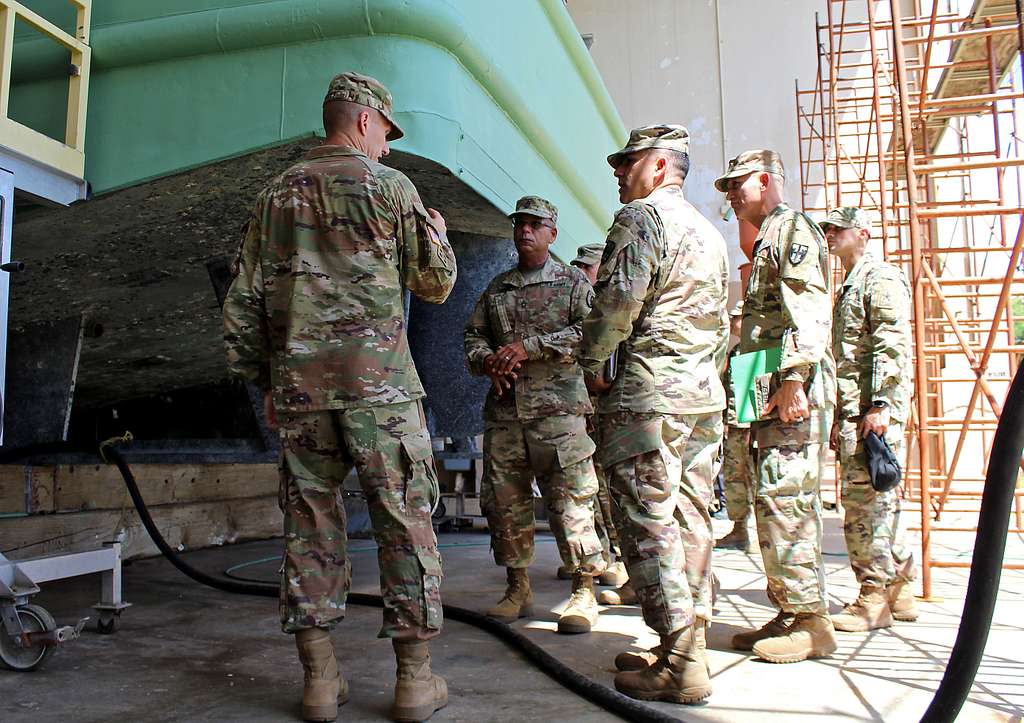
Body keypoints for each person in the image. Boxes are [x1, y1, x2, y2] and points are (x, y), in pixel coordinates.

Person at [223, 71, 456, 723]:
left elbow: (243, 302)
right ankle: (413, 681)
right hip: (379, 390)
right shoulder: (390, 188)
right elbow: (435, 283)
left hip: (301, 391)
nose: (387, 145)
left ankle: (320, 682)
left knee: (310, 526)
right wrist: (434, 230)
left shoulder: (275, 195)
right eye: (385, 132)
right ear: (363, 121)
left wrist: (264, 382)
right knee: (404, 520)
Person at [578, 124, 729, 704]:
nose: (619, 171)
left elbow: (615, 305)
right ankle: (684, 647)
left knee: (646, 519)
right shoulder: (708, 233)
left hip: (650, 394)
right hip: (698, 395)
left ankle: (679, 661)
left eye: (629, 161)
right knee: (690, 517)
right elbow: (718, 325)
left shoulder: (643, 219)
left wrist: (591, 364)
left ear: (662, 166)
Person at [715, 149, 837, 664]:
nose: (730, 196)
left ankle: (811, 621)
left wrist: (793, 378)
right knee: (770, 501)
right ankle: (788, 611)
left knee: (787, 500)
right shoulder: (768, 236)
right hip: (762, 384)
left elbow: (808, 309)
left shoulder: (792, 231)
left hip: (787, 386)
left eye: (736, 185)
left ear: (764, 180)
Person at [464, 196, 607, 635]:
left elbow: (593, 332)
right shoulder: (497, 289)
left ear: (552, 234)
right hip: (507, 415)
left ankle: (584, 590)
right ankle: (517, 587)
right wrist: (489, 361)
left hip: (558, 415)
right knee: (505, 502)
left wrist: (531, 346)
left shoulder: (572, 283)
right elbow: (472, 338)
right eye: (520, 223)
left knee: (571, 502)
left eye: (535, 224)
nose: (525, 230)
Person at [821, 206, 918, 631]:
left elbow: (889, 341)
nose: (829, 235)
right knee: (882, 497)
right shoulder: (850, 281)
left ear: (861, 234)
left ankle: (873, 595)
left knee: (864, 504)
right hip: (858, 407)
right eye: (826, 229)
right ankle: (899, 588)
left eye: (836, 229)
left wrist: (878, 404)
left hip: (870, 410)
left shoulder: (878, 277)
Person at [566, 243, 628, 589]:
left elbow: (605, 376)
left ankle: (616, 556)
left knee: (607, 489)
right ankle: (597, 553)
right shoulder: (581, 308)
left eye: (587, 267)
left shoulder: (606, 311)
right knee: (587, 490)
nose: (581, 272)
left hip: (603, 412)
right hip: (583, 412)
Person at [715, 299, 756, 552]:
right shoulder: (737, 350)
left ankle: (751, 531)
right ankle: (740, 529)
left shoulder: (753, 350)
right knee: (734, 478)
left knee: (750, 476)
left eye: (736, 317)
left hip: (747, 427)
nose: (732, 323)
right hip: (734, 425)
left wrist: (749, 427)